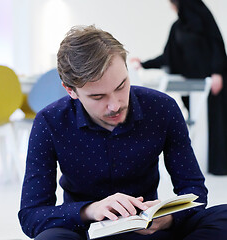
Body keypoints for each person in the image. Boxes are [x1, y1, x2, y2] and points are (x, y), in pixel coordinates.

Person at [18, 25, 227, 240]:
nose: (115, 105)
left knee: (224, 217)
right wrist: (91, 210)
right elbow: (31, 215)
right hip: (84, 232)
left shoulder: (162, 108)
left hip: (148, 232)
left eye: (121, 86)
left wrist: (168, 218)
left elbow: (195, 192)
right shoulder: (49, 121)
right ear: (70, 90)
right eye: (98, 97)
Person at [130, 0, 227, 175]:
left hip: (212, 84)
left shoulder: (205, 21)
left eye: (173, 3)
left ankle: (220, 167)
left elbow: (217, 45)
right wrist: (143, 63)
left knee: (218, 124)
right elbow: (168, 57)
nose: (171, 6)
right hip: (192, 87)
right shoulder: (177, 27)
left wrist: (217, 72)